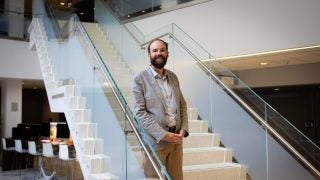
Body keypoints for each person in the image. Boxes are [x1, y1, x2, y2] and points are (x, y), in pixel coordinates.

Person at [131, 39, 189, 180]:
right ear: (149, 54)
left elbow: (182, 105)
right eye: (155, 50)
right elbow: (139, 113)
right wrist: (163, 135)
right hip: (155, 141)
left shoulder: (173, 77)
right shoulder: (139, 79)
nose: (159, 53)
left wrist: (183, 130)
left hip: (176, 140)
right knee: (153, 178)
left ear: (167, 53)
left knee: (176, 178)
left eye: (162, 50)